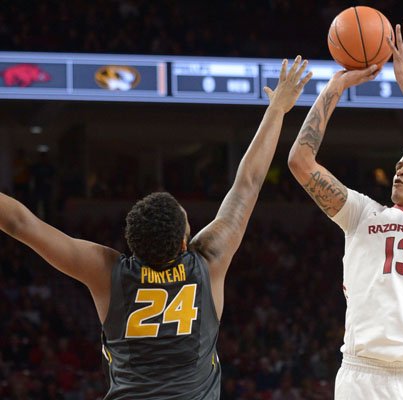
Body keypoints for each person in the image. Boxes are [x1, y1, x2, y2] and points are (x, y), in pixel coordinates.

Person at [0, 56, 312, 399]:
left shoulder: (107, 271)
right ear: (184, 243)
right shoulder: (208, 260)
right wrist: (278, 109)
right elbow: (248, 182)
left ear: (132, 243)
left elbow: (18, 222)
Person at [288, 23, 403, 399]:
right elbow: (300, 161)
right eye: (398, 166)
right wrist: (335, 87)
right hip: (362, 376)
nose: (400, 171)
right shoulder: (362, 215)